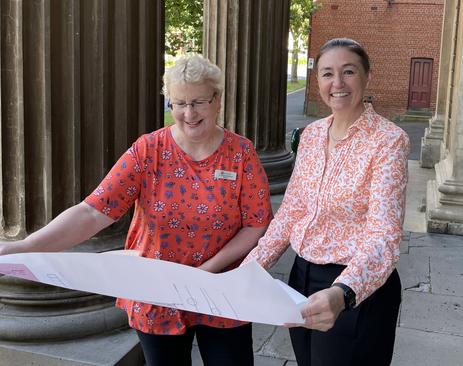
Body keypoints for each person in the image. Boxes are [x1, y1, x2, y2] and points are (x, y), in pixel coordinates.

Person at [0, 54, 272, 366]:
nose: (189, 113)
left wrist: (205, 273)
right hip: (158, 292)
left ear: (217, 100)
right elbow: (92, 211)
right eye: (178, 103)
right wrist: (25, 246)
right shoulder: (148, 150)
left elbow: (256, 223)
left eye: (198, 102)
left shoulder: (241, 153)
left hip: (222, 288)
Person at [245, 38, 410, 366]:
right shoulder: (312, 135)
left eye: (348, 72)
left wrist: (344, 292)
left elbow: (384, 234)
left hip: (355, 285)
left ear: (367, 77)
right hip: (301, 277)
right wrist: (251, 268)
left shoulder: (388, 141)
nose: (337, 83)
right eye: (327, 74)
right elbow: (291, 210)